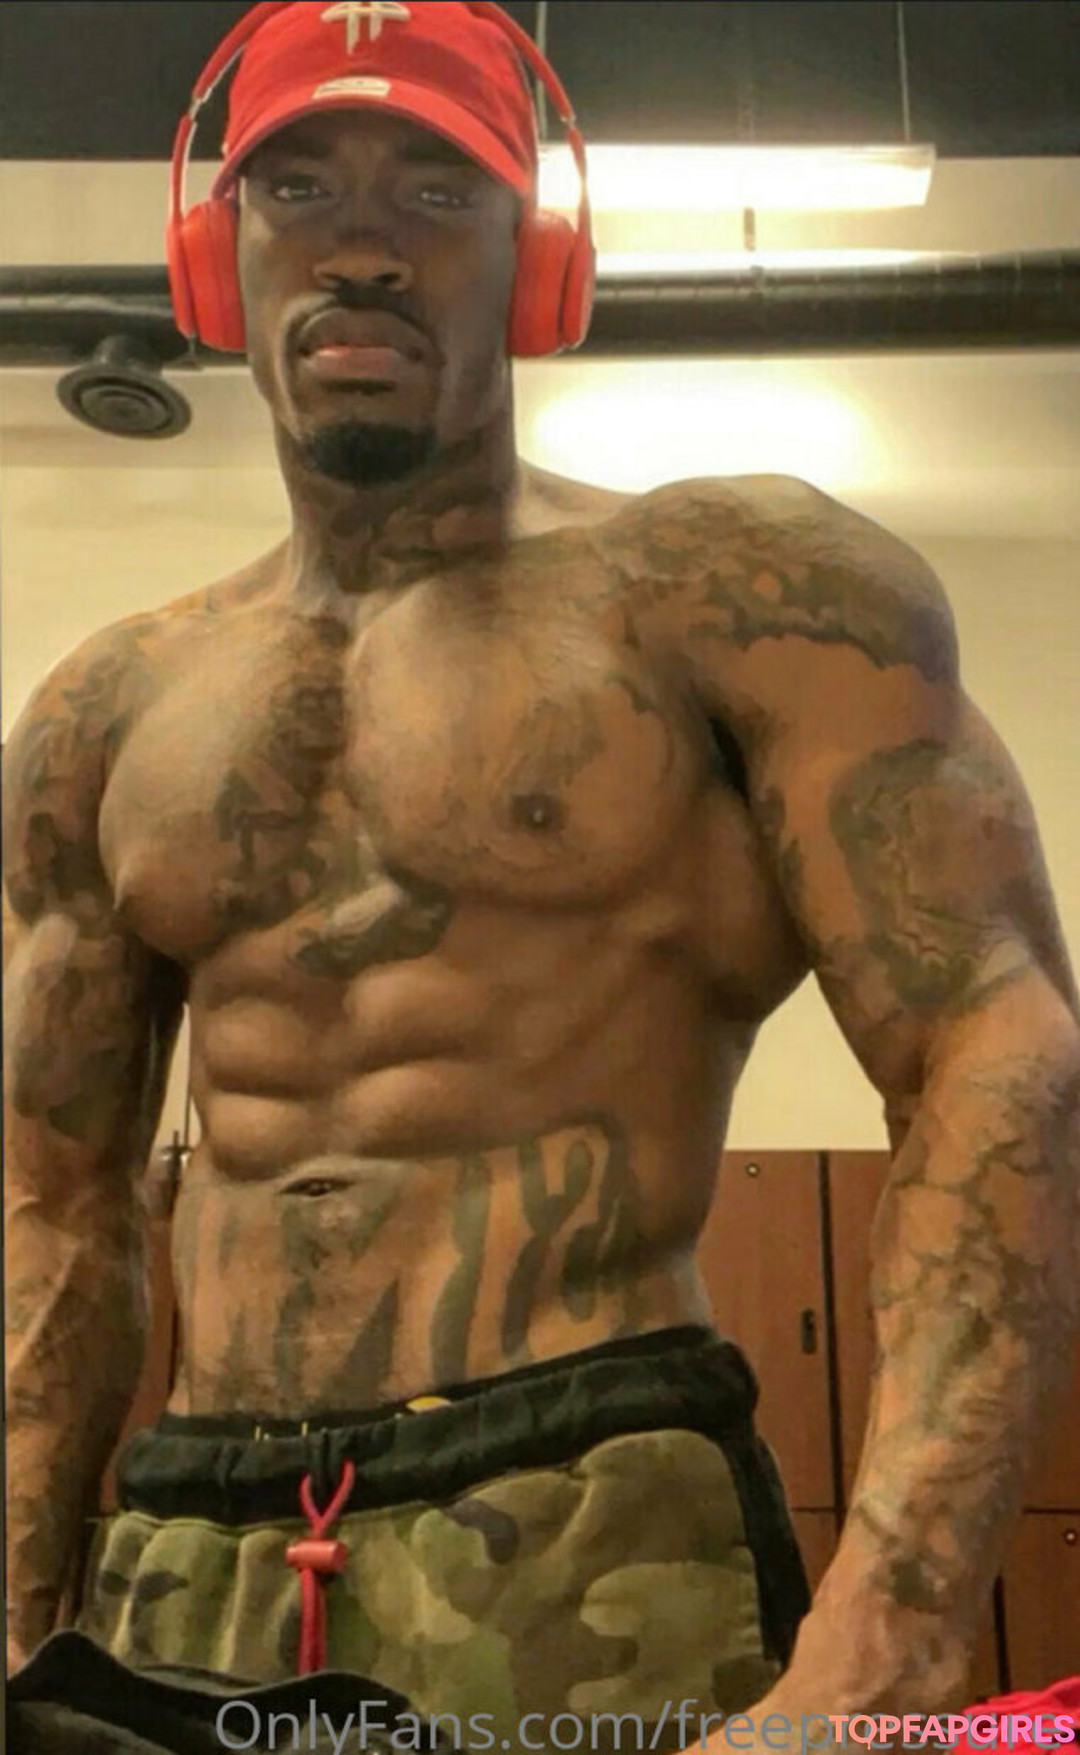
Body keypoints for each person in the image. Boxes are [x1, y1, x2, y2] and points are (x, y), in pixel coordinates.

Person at [5, 2, 1079, 1751]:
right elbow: (53, 1207)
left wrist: (885, 1643)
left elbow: (995, 1052)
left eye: (439, 192)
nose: (361, 244)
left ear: (541, 258)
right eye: (298, 186)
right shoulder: (103, 712)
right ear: (214, 254)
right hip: (185, 1550)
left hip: (589, 1513)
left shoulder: (734, 597)